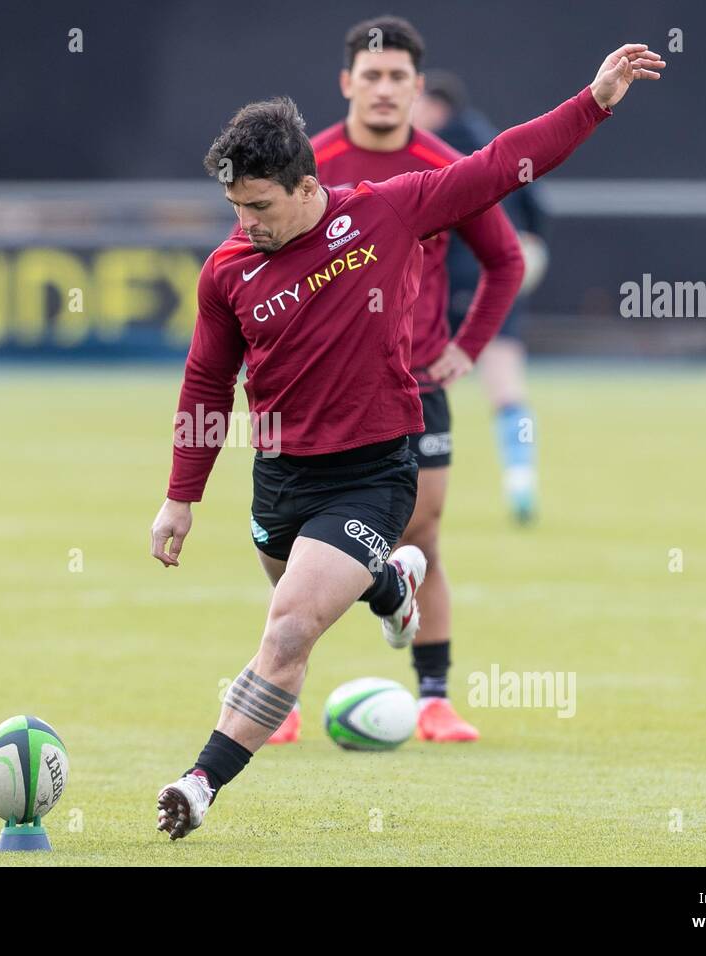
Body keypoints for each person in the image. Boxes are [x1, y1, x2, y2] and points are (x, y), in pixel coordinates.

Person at [149, 44, 664, 840]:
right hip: (280, 480)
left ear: (306, 187)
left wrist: (594, 99)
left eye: (258, 208)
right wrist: (181, 497)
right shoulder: (226, 272)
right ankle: (389, 586)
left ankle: (199, 783)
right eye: (235, 209)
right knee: (304, 600)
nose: (244, 225)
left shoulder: (388, 211)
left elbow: (501, 164)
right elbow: (206, 386)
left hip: (374, 473)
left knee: (287, 630)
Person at [262, 16, 522, 747]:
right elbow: (250, 257)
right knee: (287, 547)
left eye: (397, 77)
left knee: (423, 533)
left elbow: (505, 260)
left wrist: (467, 347)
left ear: (417, 87)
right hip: (313, 387)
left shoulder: (444, 168)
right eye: (370, 76)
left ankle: (434, 697)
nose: (383, 88)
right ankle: (279, 693)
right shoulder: (304, 166)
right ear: (347, 82)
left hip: (412, 383)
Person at [415, 70, 551, 524]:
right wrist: (530, 242)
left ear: (435, 107)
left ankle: (398, 486)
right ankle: (520, 481)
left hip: (448, 279)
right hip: (501, 276)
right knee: (506, 385)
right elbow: (537, 205)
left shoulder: (430, 151)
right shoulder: (495, 141)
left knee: (415, 384)